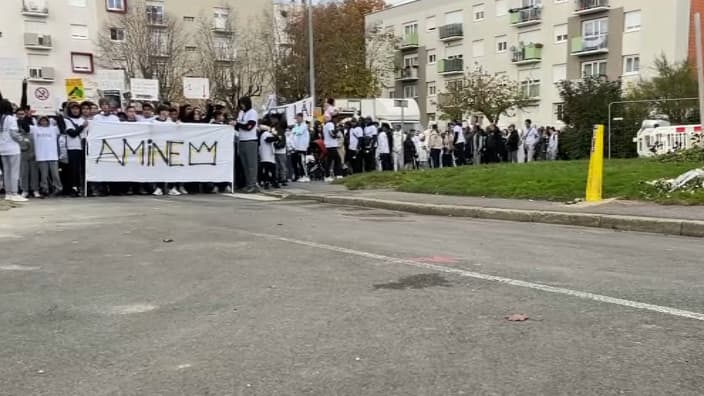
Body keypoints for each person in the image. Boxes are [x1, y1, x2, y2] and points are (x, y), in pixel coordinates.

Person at [0, 99, 27, 202]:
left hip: (2, 148)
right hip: (12, 148)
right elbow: (13, 134)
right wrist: (23, 139)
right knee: (14, 171)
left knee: (6, 171)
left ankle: (8, 193)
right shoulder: (11, 119)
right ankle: (14, 193)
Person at [31, 116, 62, 197]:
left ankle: (58, 188)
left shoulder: (53, 129)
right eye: (42, 121)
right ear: (39, 121)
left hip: (52, 155)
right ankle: (45, 189)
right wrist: (28, 116)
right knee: (44, 175)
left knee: (55, 174)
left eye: (45, 120)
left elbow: (62, 127)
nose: (44, 122)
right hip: (41, 155)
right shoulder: (35, 129)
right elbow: (25, 126)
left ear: (48, 121)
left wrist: (59, 116)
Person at [236, 96, 259, 193]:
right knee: (245, 164)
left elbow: (249, 126)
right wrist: (238, 124)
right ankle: (248, 183)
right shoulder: (241, 113)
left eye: (243, 103)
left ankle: (253, 184)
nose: (242, 105)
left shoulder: (252, 113)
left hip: (251, 140)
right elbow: (239, 125)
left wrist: (238, 124)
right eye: (240, 103)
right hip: (242, 140)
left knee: (251, 164)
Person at [16, 107, 39, 198]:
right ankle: (25, 190)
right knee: (24, 172)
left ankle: (35, 190)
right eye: (19, 114)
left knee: (34, 172)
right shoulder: (14, 123)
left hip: (32, 148)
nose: (21, 115)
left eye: (23, 114)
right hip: (21, 151)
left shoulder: (31, 121)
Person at [258, 123, 279, 189]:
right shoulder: (265, 134)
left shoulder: (262, 134)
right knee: (270, 169)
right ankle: (270, 182)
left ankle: (269, 181)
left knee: (268, 170)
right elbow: (268, 140)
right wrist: (277, 137)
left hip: (267, 155)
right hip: (267, 155)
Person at [290, 113, 310, 182]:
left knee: (302, 162)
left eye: (298, 118)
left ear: (301, 118)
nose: (296, 119)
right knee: (294, 162)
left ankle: (305, 176)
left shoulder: (304, 126)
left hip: (302, 147)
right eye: (296, 118)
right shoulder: (295, 126)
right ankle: (297, 175)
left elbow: (299, 132)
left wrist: (295, 132)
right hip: (295, 147)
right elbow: (292, 134)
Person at [322, 114, 342, 181]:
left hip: (330, 144)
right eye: (337, 119)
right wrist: (337, 134)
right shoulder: (330, 124)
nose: (337, 121)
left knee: (332, 160)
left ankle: (335, 175)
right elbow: (332, 134)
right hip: (331, 145)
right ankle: (332, 175)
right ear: (334, 119)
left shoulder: (327, 124)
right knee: (335, 160)